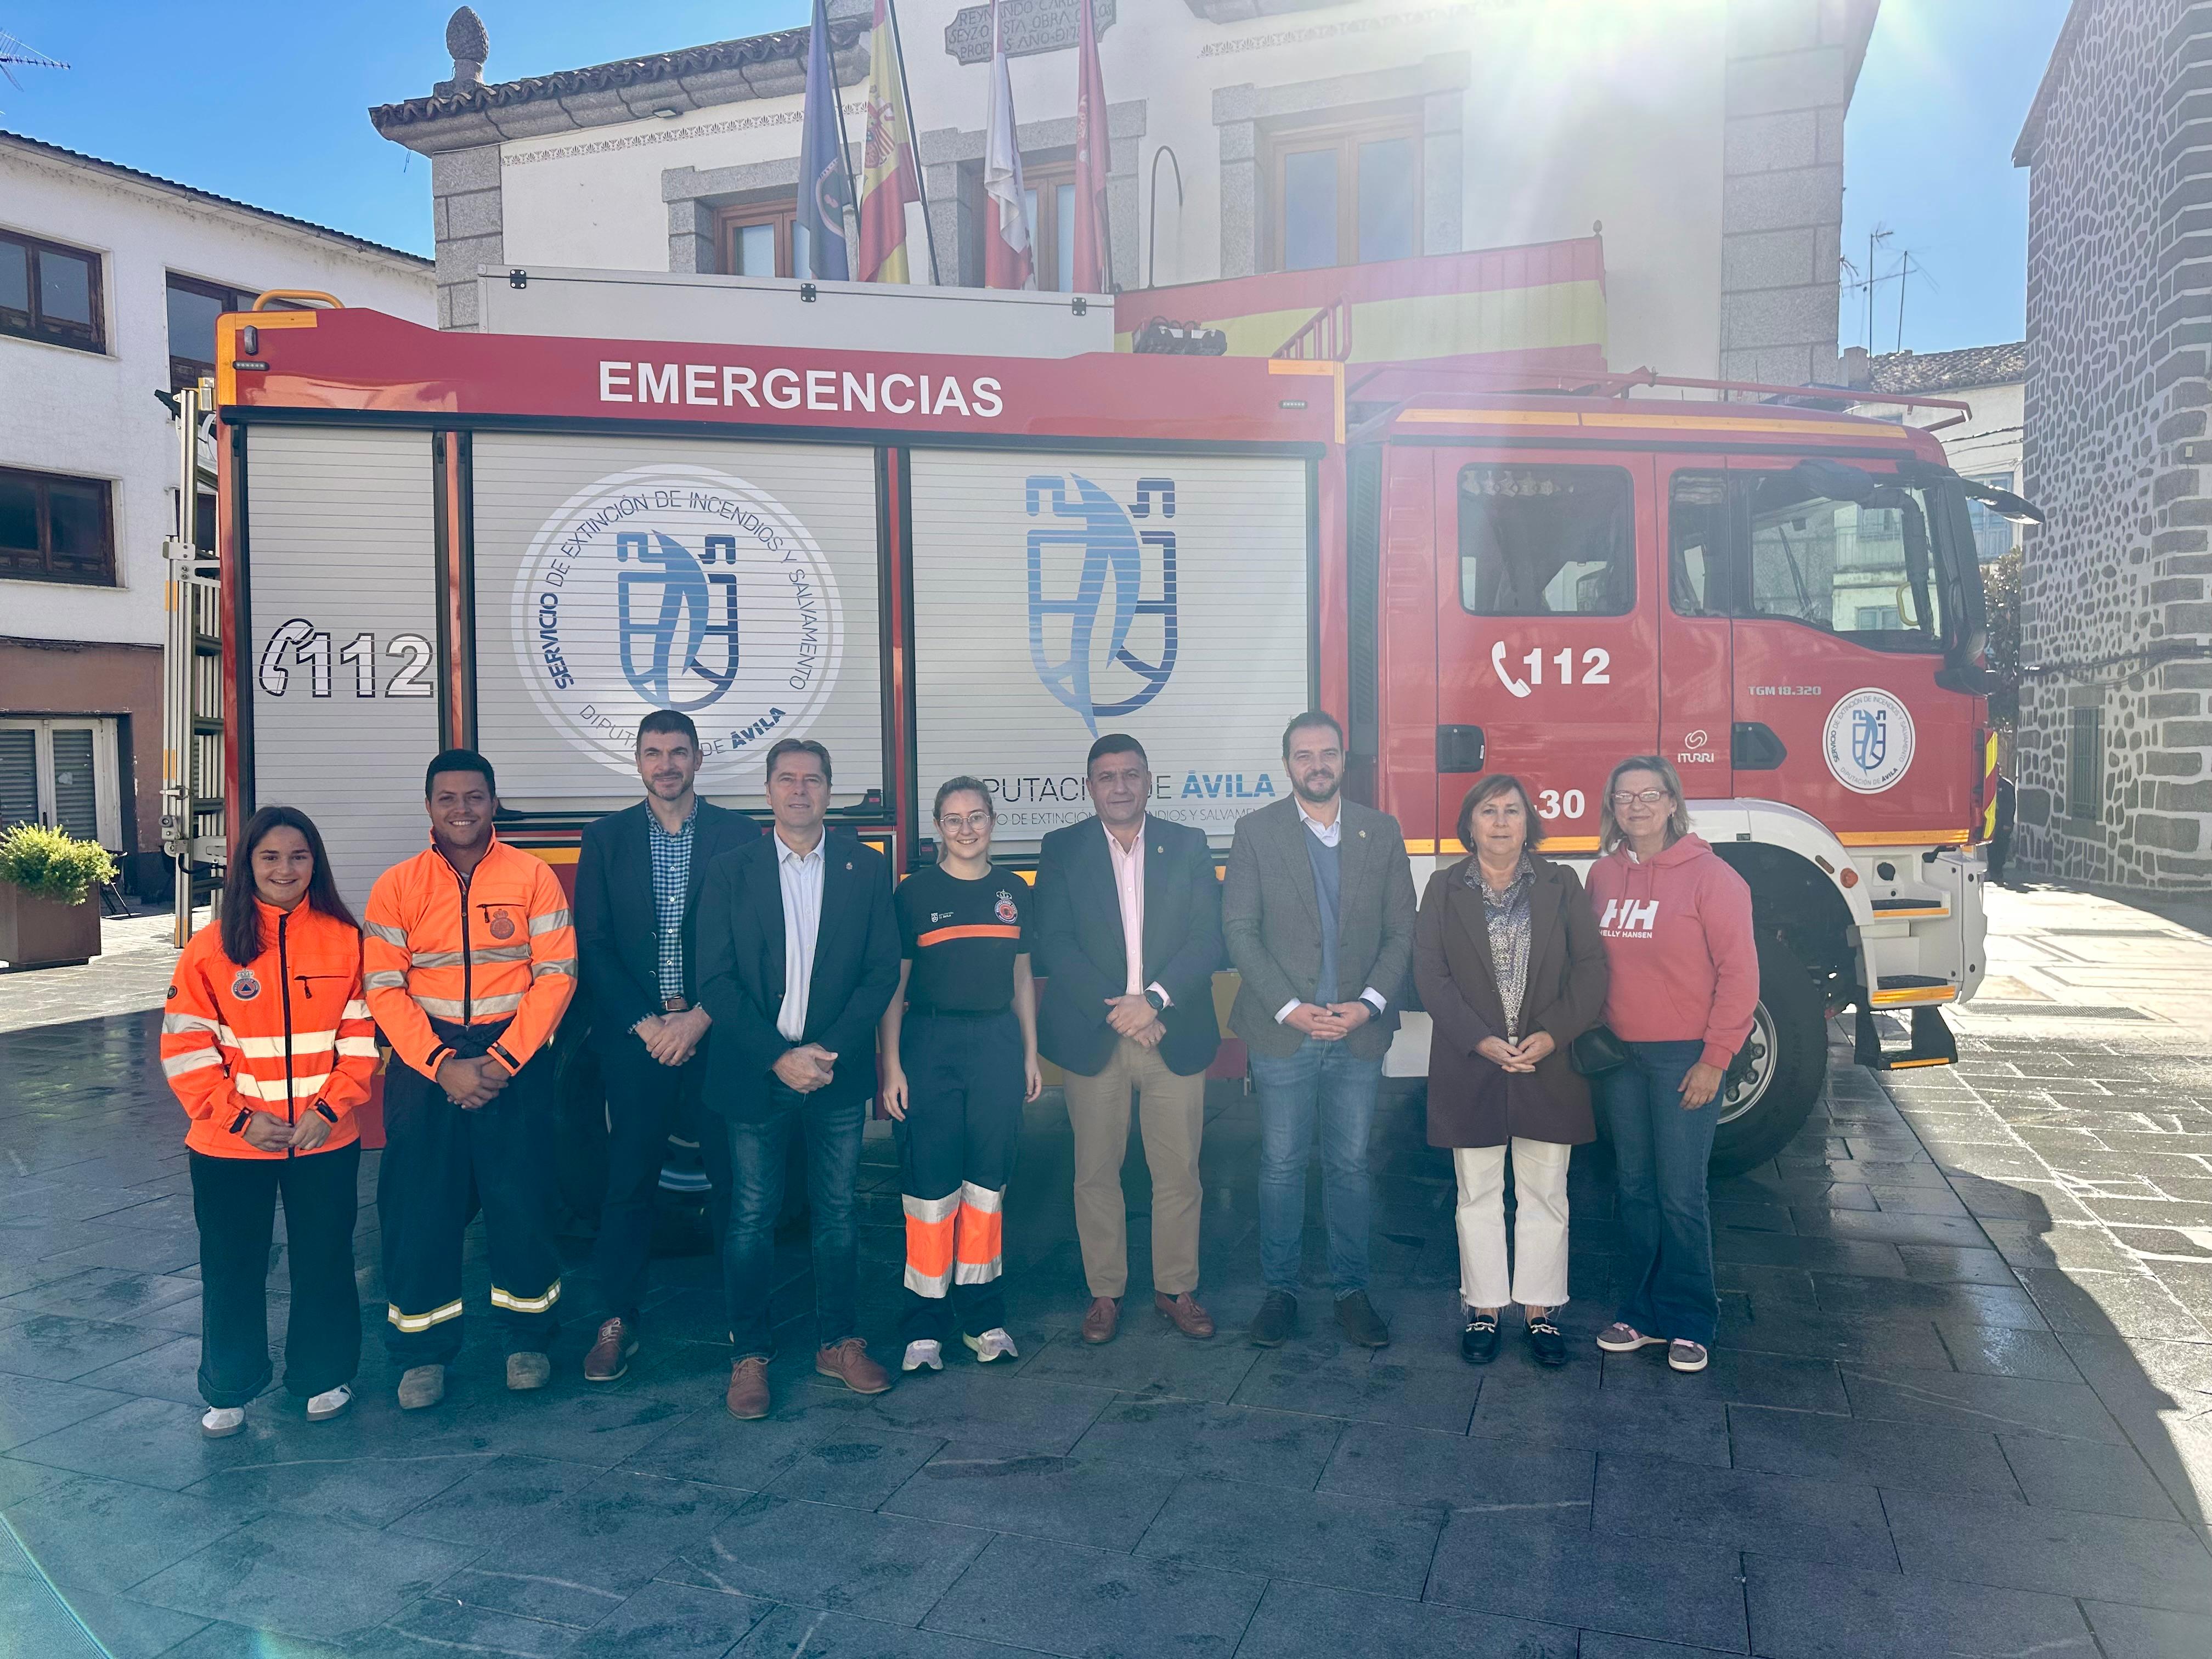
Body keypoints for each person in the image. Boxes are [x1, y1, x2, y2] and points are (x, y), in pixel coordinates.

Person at [364, 749, 578, 1409]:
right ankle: (422, 1355)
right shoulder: (397, 885)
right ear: (428, 806)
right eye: (448, 798)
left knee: (524, 1204)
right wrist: (439, 1066)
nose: (463, 809)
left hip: (511, 1059)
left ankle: (527, 1342)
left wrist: (506, 1059)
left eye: (475, 796)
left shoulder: (532, 876)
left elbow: (557, 974)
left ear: (494, 802)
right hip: (428, 1064)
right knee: (419, 1211)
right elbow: (382, 985)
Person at [696, 737, 902, 1420]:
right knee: (751, 1214)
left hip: (834, 1074)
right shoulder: (730, 871)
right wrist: (778, 1057)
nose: (800, 790)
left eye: (813, 779)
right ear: (768, 790)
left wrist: (827, 1053)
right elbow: (716, 982)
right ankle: (749, 1354)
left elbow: (881, 973)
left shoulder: (865, 870)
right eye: (787, 779)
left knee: (838, 1210)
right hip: (757, 1073)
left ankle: (837, 1340)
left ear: (829, 791)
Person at [160, 806, 376, 1437]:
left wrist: (330, 1109)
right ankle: (228, 1386)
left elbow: (361, 1042)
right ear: (246, 866)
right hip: (230, 1146)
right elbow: (185, 1048)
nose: (286, 869)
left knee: (326, 1261)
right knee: (231, 1265)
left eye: (299, 856)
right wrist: (237, 1119)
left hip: (324, 1138)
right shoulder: (209, 949)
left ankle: (323, 1374)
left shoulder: (346, 940)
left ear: (317, 863)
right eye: (271, 857)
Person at [574, 709, 761, 1383]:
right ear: (639, 761)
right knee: (629, 1183)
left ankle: (747, 1330)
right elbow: (591, 945)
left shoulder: (741, 836)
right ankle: (617, 1321)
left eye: (678, 752)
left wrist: (700, 1018)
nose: (666, 765)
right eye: (654, 753)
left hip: (719, 1036)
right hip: (639, 1041)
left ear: (698, 759)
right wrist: (649, 1025)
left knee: (739, 1185)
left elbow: (753, 942)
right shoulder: (607, 839)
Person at [1223, 710, 1415, 1350]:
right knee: (1279, 1165)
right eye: (1303, 756)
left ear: (1343, 760)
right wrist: (1287, 1007)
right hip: (1286, 1034)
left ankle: (1351, 1292)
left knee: (1351, 1167)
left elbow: (1401, 931)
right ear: (1287, 766)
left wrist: (1367, 1005)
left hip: (1356, 1032)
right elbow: (1240, 931)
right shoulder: (1255, 832)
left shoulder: (1381, 832)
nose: (1317, 765)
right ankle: (1280, 1294)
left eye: (1327, 753)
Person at [1032, 733, 1223, 1345]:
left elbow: (1208, 937)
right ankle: (1105, 1293)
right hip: (1099, 1035)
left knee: (1179, 1171)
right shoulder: (1061, 849)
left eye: (1130, 774)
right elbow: (1054, 941)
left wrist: (1156, 1002)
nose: (1119, 786)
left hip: (1172, 1030)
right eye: (1107, 776)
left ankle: (1175, 1288)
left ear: (1149, 781)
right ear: (1090, 786)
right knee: (1095, 1172)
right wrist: (1122, 1012)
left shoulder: (1187, 846)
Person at [1413, 777, 1609, 1369]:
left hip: (1547, 1064)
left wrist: (1553, 1035)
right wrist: (1481, 1040)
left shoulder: (1561, 884)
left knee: (1545, 1191)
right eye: (1488, 811)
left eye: (1512, 812)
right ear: (1469, 825)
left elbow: (1591, 968)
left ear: (1530, 824)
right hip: (1470, 1061)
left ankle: (1542, 1310)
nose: (1500, 822)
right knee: (1476, 1193)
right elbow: (1430, 975)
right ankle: (1484, 1306)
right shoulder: (1443, 888)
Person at [1585, 754, 1757, 1375]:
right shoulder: (1602, 876)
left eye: (1650, 795)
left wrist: (1716, 1060)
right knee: (1633, 1189)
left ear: (1673, 803)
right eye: (1624, 796)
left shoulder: (1714, 879)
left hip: (1685, 1060)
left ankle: (1690, 1320)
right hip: (1622, 1060)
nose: (1637, 806)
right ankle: (1640, 1313)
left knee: (1680, 1194)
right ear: (1612, 807)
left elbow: (1741, 977)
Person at [878, 777, 1043, 1373]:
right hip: (930, 1042)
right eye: (953, 819)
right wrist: (891, 1065)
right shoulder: (913, 894)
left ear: (993, 822)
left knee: (986, 1186)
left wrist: (1029, 1053)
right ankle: (924, 1326)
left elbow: (1023, 977)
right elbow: (893, 988)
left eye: (976, 817)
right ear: (938, 828)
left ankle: (982, 1319)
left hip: (997, 1041)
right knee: (930, 1187)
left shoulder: (1015, 891)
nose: (966, 829)